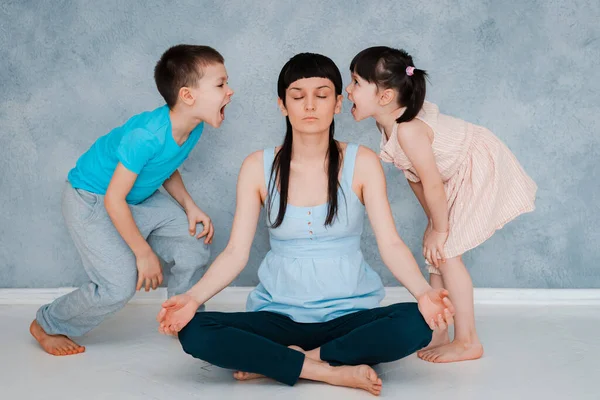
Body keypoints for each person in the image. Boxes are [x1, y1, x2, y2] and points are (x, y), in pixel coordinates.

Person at [157, 53, 454, 396]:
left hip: (349, 318)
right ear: (283, 105)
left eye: (322, 95)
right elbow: (236, 252)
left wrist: (424, 294)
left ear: (339, 104)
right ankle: (329, 371)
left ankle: (286, 362)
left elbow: (391, 244)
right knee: (194, 330)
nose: (310, 106)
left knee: (416, 323)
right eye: (298, 97)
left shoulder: (363, 162)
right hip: (278, 319)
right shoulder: (257, 166)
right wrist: (191, 299)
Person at [30, 44, 234, 356]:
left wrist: (190, 207)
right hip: (94, 200)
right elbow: (114, 199)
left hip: (138, 197)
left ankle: (181, 315)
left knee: (194, 240)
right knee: (118, 286)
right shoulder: (146, 135)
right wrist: (143, 254)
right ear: (188, 96)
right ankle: (47, 323)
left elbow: (164, 165)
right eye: (221, 84)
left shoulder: (193, 126)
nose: (229, 92)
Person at [346, 45, 537, 363]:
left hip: (477, 165)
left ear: (384, 97)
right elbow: (416, 178)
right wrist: (433, 225)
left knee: (447, 252)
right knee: (436, 253)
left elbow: (433, 182)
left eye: (354, 82)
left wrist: (441, 227)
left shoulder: (408, 131)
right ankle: (440, 331)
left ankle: (468, 341)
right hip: (452, 176)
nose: (348, 90)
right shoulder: (388, 127)